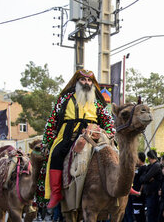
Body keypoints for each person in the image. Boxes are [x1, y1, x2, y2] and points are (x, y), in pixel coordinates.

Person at [41, 69, 114, 209]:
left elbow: (109, 121)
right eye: (83, 80)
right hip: (69, 133)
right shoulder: (65, 99)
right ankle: (56, 193)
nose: (86, 83)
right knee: (55, 154)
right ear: (77, 81)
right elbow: (52, 120)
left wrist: (109, 133)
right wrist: (47, 141)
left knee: (114, 152)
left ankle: (124, 185)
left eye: (89, 80)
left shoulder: (98, 102)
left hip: (94, 132)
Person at [140, 150, 162, 222]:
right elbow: (143, 178)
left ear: (149, 157)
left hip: (153, 194)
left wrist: (147, 179)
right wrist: (147, 179)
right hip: (150, 193)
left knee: (151, 216)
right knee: (152, 215)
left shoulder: (156, 166)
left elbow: (144, 178)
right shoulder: (151, 166)